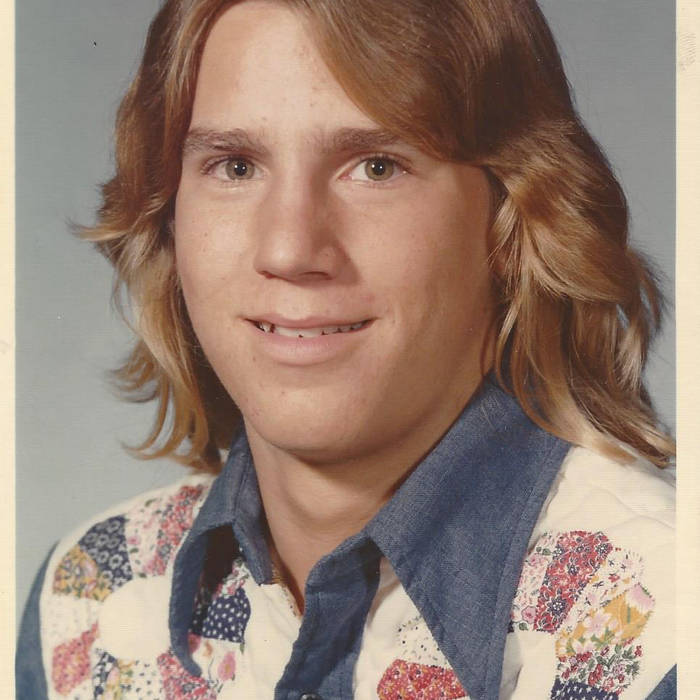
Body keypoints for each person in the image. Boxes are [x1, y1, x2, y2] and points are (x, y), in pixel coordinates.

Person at [17, 0, 676, 698]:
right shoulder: (92, 599)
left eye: (377, 167)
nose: (290, 249)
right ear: (168, 219)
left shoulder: (659, 625)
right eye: (235, 167)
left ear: (514, 219)